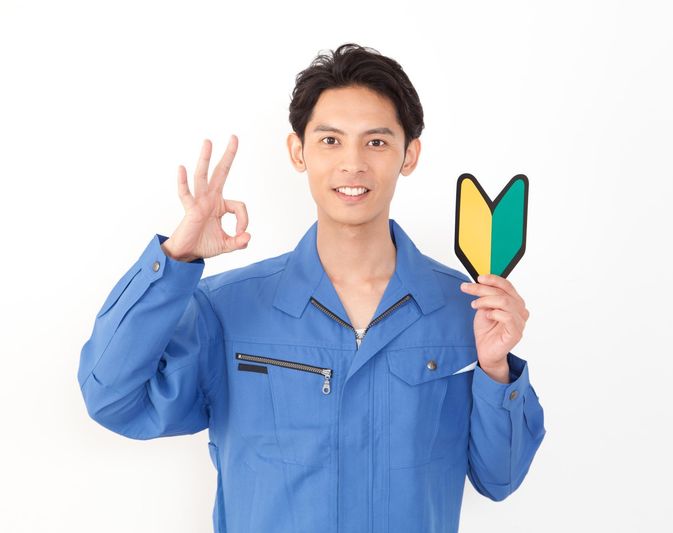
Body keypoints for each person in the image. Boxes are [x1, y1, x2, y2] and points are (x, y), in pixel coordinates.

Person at [78, 42, 546, 533]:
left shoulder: (462, 309)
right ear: (297, 151)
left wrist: (496, 369)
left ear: (409, 155)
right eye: (330, 140)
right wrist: (174, 260)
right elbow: (112, 400)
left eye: (376, 142)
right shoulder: (229, 309)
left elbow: (500, 477)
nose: (353, 163)